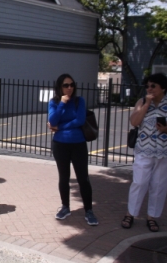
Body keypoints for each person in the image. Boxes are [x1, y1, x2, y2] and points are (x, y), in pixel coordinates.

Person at [121, 73, 167, 232]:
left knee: (159, 185)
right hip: (144, 150)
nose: (149, 89)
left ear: (162, 87)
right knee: (139, 182)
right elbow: (134, 122)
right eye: (147, 86)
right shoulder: (141, 102)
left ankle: (152, 217)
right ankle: (131, 213)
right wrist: (146, 104)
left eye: (153, 86)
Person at [48, 73, 99, 226]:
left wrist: (59, 127)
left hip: (78, 144)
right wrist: (62, 103)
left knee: (83, 178)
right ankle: (65, 207)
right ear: (59, 87)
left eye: (72, 85)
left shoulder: (79, 101)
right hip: (60, 144)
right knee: (64, 177)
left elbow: (80, 120)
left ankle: (89, 210)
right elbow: (52, 120)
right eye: (66, 85)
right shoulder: (54, 102)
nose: (69, 88)